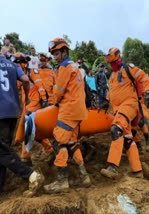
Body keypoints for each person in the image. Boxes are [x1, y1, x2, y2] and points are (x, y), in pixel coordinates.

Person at [44, 38, 91, 193]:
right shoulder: (75, 67)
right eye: (54, 54)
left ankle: (62, 181)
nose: (55, 57)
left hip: (68, 109)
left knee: (58, 141)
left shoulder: (64, 68)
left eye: (57, 53)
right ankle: (84, 176)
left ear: (64, 52)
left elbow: (58, 92)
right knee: (71, 142)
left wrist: (54, 102)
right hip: (78, 110)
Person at [99, 47, 149, 179]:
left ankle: (112, 167)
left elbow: (144, 77)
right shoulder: (112, 76)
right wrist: (106, 101)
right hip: (119, 109)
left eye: (112, 62)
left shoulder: (128, 69)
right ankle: (137, 171)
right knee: (128, 138)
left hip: (129, 105)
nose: (111, 65)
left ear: (118, 58)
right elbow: (112, 91)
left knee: (115, 129)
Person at [0, 54, 44, 197]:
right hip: (13, 111)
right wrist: (27, 95)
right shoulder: (11, 65)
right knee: (3, 149)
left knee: (2, 151)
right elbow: (25, 80)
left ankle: (30, 175)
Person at [12, 53, 52, 165]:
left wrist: (44, 100)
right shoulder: (20, 75)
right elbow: (16, 87)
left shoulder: (32, 72)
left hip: (35, 103)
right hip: (27, 105)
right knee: (33, 130)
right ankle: (50, 150)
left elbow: (40, 86)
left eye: (16, 64)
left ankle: (25, 156)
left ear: (22, 63)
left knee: (27, 127)